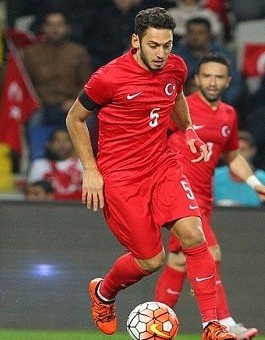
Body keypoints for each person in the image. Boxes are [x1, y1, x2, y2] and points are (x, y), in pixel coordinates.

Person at [65, 7, 237, 339]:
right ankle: (104, 292)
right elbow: (74, 119)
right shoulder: (109, 77)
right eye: (154, 45)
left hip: (162, 166)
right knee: (151, 261)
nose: (161, 54)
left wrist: (188, 130)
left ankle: (212, 326)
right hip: (121, 177)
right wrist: (90, 169)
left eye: (167, 45)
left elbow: (176, 96)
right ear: (136, 41)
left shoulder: (176, 66)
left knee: (194, 235)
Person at [153, 54, 265, 340]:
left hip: (203, 198)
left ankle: (153, 325)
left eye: (218, 77)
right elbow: (150, 138)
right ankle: (223, 323)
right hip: (177, 192)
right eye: (207, 76)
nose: (212, 82)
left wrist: (254, 182)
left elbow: (233, 156)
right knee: (210, 253)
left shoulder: (228, 114)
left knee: (179, 262)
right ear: (197, 79)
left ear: (228, 81)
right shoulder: (181, 108)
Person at [21, 10, 91, 161]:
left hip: (71, 104)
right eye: (50, 25)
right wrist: (34, 100)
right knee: (32, 120)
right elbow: (24, 83)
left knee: (90, 120)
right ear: (43, 28)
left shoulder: (78, 52)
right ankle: (36, 165)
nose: (55, 29)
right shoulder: (30, 53)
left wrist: (75, 101)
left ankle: (84, 165)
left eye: (59, 25)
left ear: (67, 27)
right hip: (41, 105)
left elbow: (88, 83)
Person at [173, 17, 243, 107]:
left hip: (219, 102)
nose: (195, 37)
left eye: (200, 33)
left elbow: (235, 83)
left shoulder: (224, 54)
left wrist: (222, 103)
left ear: (209, 35)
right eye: (191, 32)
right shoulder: (176, 56)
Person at [27, 128, 83, 201]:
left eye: (66, 140)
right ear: (49, 144)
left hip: (78, 208)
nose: (62, 145)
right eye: (57, 140)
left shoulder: (82, 164)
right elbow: (33, 194)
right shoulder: (39, 164)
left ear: (73, 144)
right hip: (47, 209)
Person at [214, 130, 265, 207]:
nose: (239, 155)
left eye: (243, 150)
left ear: (252, 151)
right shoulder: (215, 177)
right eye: (235, 150)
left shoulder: (262, 179)